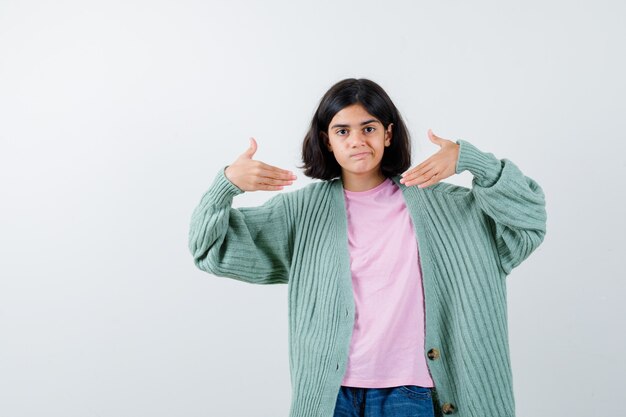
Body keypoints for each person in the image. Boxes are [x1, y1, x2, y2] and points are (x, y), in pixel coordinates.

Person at [188, 78, 547, 417]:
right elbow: (209, 250)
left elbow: (528, 219)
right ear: (327, 140)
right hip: (331, 395)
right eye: (342, 130)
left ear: (388, 134)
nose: (357, 140)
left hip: (410, 392)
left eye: (369, 128)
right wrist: (227, 185)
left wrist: (473, 161)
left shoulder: (446, 208)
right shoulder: (301, 213)